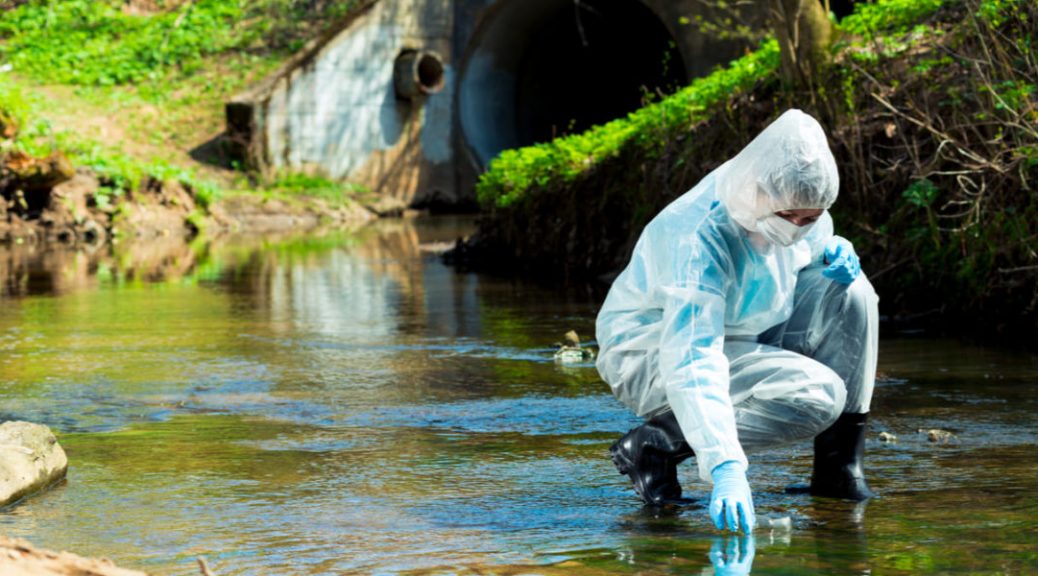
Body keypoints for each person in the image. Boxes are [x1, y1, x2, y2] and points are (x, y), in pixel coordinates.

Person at [595, 109, 879, 533]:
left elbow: (807, 249)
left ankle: (839, 469)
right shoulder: (701, 235)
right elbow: (693, 356)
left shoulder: (796, 198)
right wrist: (725, 466)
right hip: (651, 351)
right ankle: (658, 444)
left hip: (748, 330)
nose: (801, 227)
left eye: (813, 218)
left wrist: (835, 246)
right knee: (819, 396)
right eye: (792, 218)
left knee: (853, 292)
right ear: (764, 196)